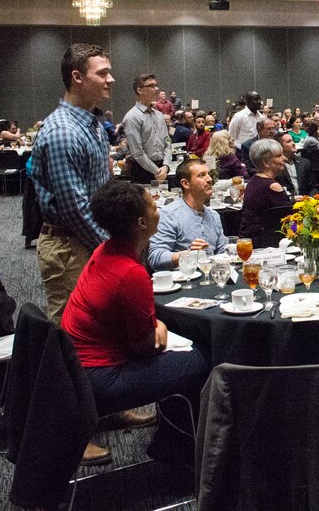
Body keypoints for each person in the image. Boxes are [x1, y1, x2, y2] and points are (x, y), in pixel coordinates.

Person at [62, 180, 210, 467]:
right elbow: (144, 347)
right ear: (142, 222)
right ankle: (181, 452)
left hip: (74, 367)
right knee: (203, 360)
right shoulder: (131, 273)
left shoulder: (104, 250)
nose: (161, 210)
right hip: (100, 378)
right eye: (155, 206)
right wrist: (161, 329)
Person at [32, 43, 113, 322]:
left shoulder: (93, 124)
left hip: (87, 239)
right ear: (77, 77)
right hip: (70, 246)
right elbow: (74, 208)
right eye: (102, 74)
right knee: (71, 333)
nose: (110, 80)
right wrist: (111, 247)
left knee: (97, 325)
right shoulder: (64, 132)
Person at [148, 159, 228, 271]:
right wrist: (189, 255)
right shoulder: (169, 215)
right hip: (183, 281)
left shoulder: (214, 216)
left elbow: (221, 253)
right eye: (202, 175)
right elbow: (155, 258)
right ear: (186, 183)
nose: (209, 179)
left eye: (208, 174)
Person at [238, 139, 294, 248]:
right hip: (265, 245)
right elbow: (290, 218)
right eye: (278, 156)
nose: (284, 158)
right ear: (265, 162)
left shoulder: (253, 181)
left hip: (249, 242)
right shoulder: (272, 186)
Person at [123, 74, 171, 184]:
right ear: (140, 90)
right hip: (142, 170)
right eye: (152, 86)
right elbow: (137, 152)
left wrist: (166, 166)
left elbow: (167, 142)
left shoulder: (159, 115)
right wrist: (156, 171)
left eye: (156, 85)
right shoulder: (132, 117)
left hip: (162, 168)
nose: (156, 89)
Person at [276, 131, 315, 197]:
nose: (293, 143)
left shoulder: (304, 163)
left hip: (306, 202)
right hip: (286, 203)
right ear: (280, 146)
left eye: (292, 140)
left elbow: (313, 187)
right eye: (289, 142)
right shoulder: (276, 166)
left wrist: (310, 198)